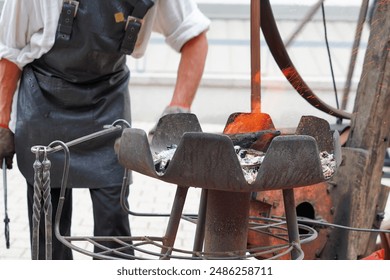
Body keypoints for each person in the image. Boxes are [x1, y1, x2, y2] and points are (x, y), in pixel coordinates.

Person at [0, 0, 209, 259]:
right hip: (45, 101)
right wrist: (1, 123)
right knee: (47, 225)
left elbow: (194, 37)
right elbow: (9, 51)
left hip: (107, 104)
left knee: (114, 221)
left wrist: (178, 108)